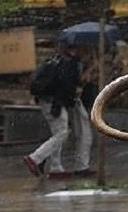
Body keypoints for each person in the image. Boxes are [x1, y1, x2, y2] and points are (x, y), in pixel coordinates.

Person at [23, 42, 94, 180]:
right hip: (54, 102)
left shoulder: (56, 60)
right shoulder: (70, 64)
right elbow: (66, 87)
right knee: (61, 133)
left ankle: (56, 167)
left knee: (59, 133)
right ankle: (35, 158)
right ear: (75, 50)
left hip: (50, 100)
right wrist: (62, 102)